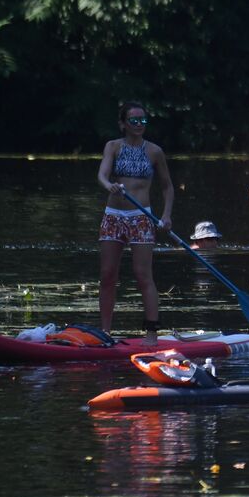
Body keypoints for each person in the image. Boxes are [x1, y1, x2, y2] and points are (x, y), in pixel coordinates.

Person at [96, 101, 173, 344]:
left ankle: (151, 331)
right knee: (107, 274)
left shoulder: (154, 151)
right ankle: (106, 332)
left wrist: (166, 215)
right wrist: (110, 186)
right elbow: (102, 175)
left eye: (143, 121)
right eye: (134, 121)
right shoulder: (113, 147)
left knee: (143, 275)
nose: (139, 125)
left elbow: (167, 187)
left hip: (142, 218)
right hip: (113, 216)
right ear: (123, 124)